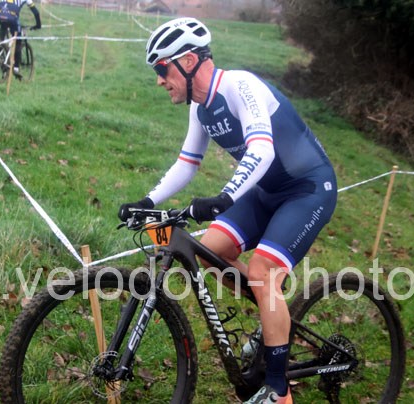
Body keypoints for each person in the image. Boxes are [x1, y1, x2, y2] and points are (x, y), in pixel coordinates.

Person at [118, 17, 338, 404]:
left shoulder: (239, 85)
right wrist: (148, 202)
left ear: (188, 61)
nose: (159, 80)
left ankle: (279, 390)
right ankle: (274, 315)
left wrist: (224, 196)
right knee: (210, 251)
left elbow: (261, 149)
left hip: (307, 189)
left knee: (262, 272)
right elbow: (187, 163)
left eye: (162, 69)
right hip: (267, 190)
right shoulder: (200, 108)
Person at [0, 0, 41, 76]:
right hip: (12, 19)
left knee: (2, 39)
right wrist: (38, 25)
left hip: (0, 18)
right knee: (18, 41)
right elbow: (36, 12)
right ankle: (16, 68)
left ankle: (0, 60)